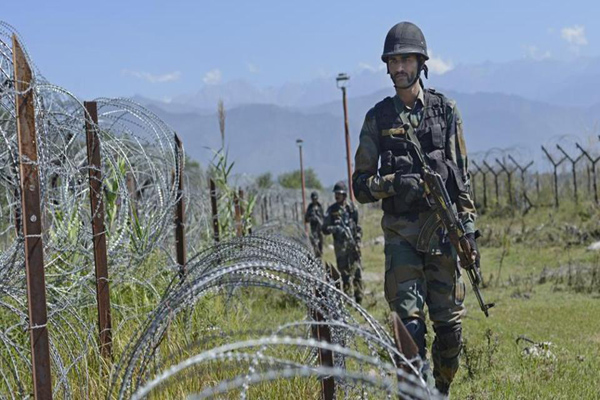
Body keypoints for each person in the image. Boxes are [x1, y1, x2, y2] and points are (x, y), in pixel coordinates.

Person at [351, 21, 479, 395]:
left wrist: (468, 230)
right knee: (409, 330)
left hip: (443, 237)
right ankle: (413, 392)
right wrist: (394, 184)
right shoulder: (377, 119)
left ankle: (439, 388)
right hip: (402, 239)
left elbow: (462, 181)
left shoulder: (446, 111)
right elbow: (360, 186)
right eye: (394, 61)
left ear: (421, 63)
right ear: (387, 67)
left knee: (450, 335)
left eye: (407, 59)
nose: (400, 67)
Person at [321, 181, 364, 304]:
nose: (336, 196)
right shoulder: (332, 210)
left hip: (353, 246)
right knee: (344, 274)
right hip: (341, 248)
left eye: (338, 193)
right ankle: (347, 299)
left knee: (357, 272)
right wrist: (335, 229)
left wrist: (358, 240)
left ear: (344, 194)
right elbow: (324, 229)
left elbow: (358, 227)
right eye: (335, 193)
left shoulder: (352, 208)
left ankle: (359, 298)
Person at [304, 191, 324, 257]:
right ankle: (316, 253)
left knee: (321, 239)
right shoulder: (310, 207)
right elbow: (306, 218)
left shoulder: (320, 206)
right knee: (314, 241)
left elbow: (323, 217)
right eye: (313, 199)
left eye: (315, 199)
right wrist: (311, 218)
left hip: (320, 227)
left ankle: (320, 251)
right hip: (313, 227)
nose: (314, 200)